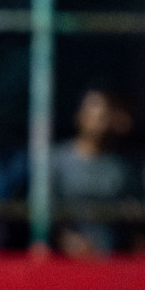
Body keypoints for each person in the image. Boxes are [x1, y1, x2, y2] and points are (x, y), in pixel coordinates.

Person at [51, 88, 133, 257]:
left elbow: (130, 216)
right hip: (66, 260)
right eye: (92, 114)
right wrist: (66, 239)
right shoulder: (57, 161)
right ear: (79, 116)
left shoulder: (120, 167)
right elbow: (46, 214)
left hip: (110, 259)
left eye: (103, 116)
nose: (97, 121)